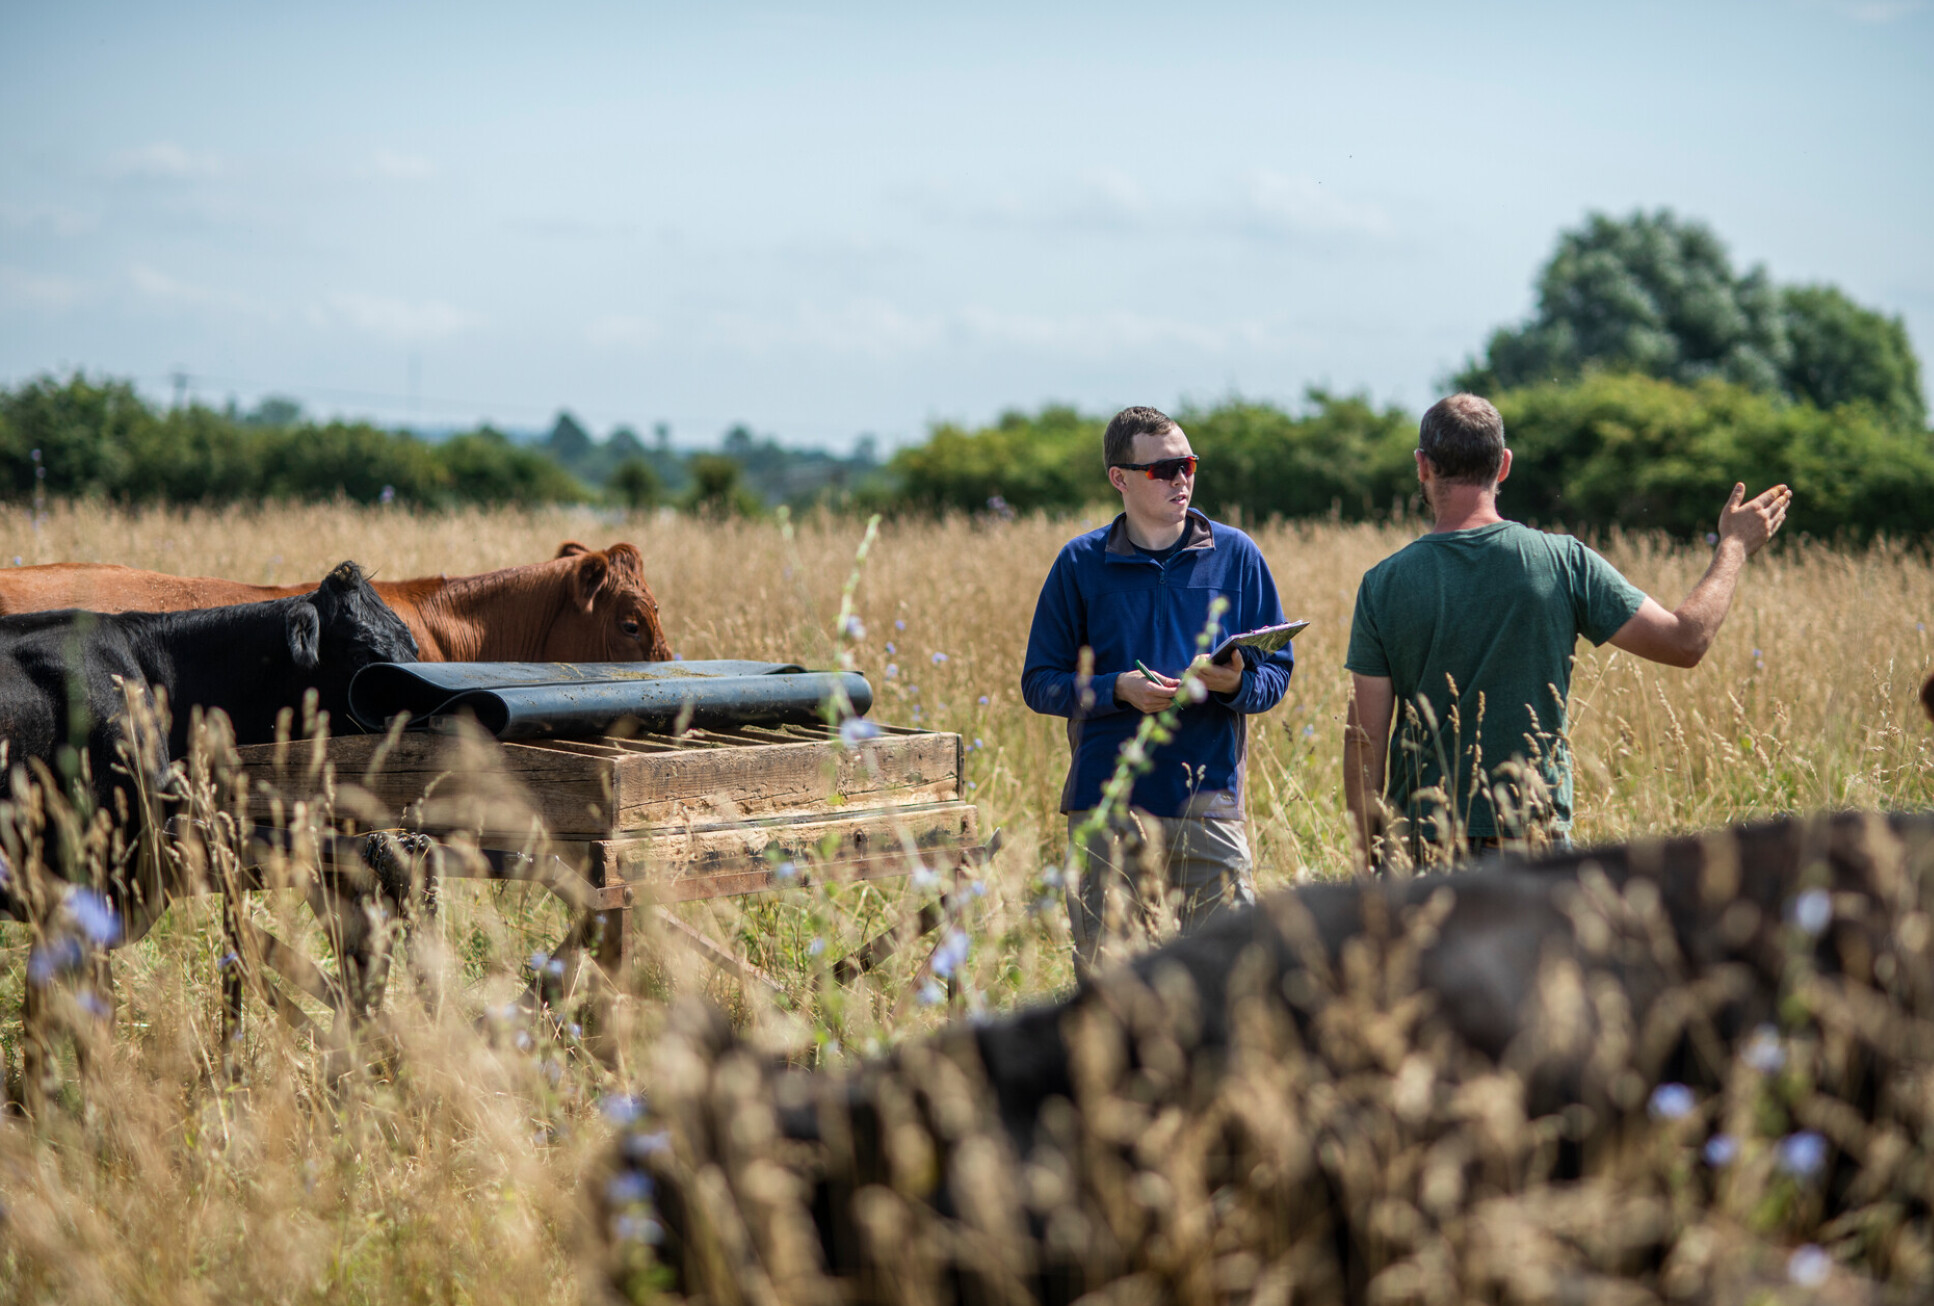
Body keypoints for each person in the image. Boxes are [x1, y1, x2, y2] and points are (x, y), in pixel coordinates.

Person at [1343, 393, 1791, 865]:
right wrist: (1734, 547)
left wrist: (1369, 855)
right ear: (1504, 466)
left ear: (1422, 467)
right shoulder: (1563, 561)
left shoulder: (1383, 583)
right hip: (1532, 845)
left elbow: (1363, 739)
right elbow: (1685, 641)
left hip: (1423, 849)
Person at [1022, 406, 1295, 967]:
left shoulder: (1238, 555)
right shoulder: (1080, 563)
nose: (1182, 479)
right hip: (1107, 809)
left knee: (1230, 987)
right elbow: (1039, 682)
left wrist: (1232, 684)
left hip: (1209, 804)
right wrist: (1116, 689)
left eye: (1189, 464)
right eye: (1165, 469)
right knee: (1110, 994)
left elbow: (1276, 675)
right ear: (1119, 478)